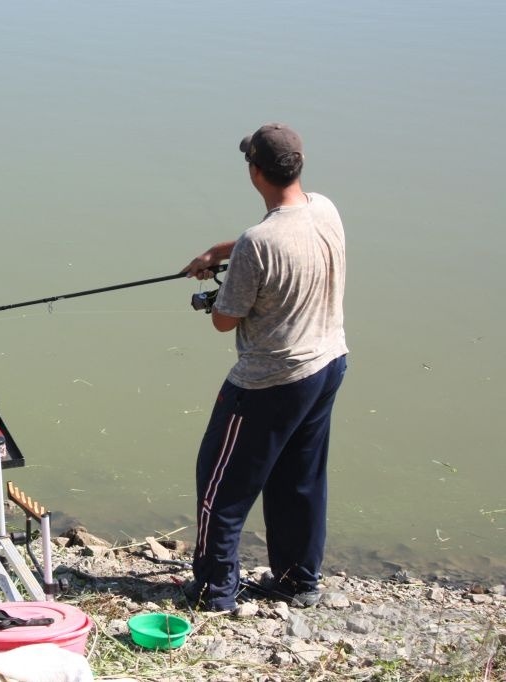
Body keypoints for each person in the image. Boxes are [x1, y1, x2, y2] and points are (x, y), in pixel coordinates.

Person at [181, 123, 348, 611]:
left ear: (255, 171)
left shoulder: (258, 242)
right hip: (328, 364)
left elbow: (223, 319)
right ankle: (299, 580)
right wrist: (219, 251)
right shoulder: (325, 207)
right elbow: (279, 239)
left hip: (268, 383)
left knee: (219, 481)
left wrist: (215, 294)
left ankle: (215, 590)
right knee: (300, 479)